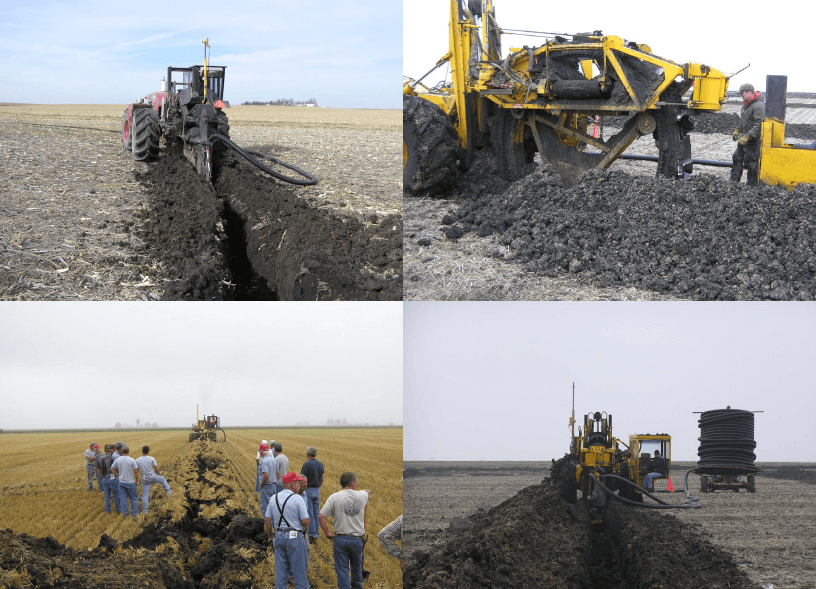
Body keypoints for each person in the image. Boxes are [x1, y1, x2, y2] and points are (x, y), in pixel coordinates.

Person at [319, 472, 371, 589]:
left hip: (340, 539)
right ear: (353, 483)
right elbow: (368, 492)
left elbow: (321, 516)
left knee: (342, 569)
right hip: (357, 539)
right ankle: (357, 586)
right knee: (357, 567)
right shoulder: (362, 495)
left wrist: (327, 533)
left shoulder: (334, 497)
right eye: (356, 482)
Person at [264, 471, 310, 589]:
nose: (300, 485)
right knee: (299, 572)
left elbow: (267, 521)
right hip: (294, 536)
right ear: (292, 484)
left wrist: (270, 536)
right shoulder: (297, 499)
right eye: (298, 483)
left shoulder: (274, 498)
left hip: (278, 536)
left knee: (280, 572)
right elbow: (306, 521)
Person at [731, 83, 766, 186]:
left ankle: (751, 188)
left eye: (742, 93)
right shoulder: (746, 105)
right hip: (743, 140)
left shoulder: (758, 106)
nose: (741, 96)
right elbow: (743, 121)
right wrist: (737, 129)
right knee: (736, 158)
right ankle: (733, 184)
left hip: (752, 142)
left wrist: (748, 136)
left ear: (749, 93)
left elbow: (759, 124)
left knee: (751, 164)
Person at [136, 445, 172, 515]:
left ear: (142, 451)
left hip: (144, 479)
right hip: (153, 477)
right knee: (162, 479)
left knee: (145, 495)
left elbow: (136, 471)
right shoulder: (151, 458)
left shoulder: (137, 460)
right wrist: (159, 473)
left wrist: (137, 479)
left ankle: (144, 511)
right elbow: (156, 468)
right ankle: (169, 493)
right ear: (148, 451)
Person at [300, 446, 324, 544]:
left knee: (309, 513)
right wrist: (318, 486)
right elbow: (322, 479)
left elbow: (303, 480)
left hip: (309, 490)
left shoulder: (306, 465)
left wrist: (301, 491)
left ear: (307, 454)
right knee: (316, 512)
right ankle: (316, 533)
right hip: (317, 490)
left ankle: (312, 534)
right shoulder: (320, 464)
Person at [111, 445, 140, 518]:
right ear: (128, 451)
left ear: (122, 451)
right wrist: (137, 480)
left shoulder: (118, 460)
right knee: (133, 499)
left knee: (123, 499)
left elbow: (112, 469)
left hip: (121, 482)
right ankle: (135, 514)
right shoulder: (132, 460)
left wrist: (117, 475)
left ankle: (126, 514)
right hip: (130, 482)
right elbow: (136, 471)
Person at [96, 444, 120, 514]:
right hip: (113, 479)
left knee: (107, 496)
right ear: (111, 450)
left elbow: (98, 469)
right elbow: (117, 469)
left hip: (104, 479)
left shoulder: (100, 458)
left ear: (104, 450)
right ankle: (117, 510)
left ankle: (108, 511)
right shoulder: (113, 458)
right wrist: (117, 476)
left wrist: (101, 477)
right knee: (116, 494)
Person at [258, 442, 278, 517]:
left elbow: (266, 475)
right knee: (273, 506)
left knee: (266, 508)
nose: (259, 452)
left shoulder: (264, 461)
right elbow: (277, 473)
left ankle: (268, 526)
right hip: (273, 486)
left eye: (260, 450)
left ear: (262, 451)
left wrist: (261, 484)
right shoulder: (273, 460)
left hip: (266, 487)